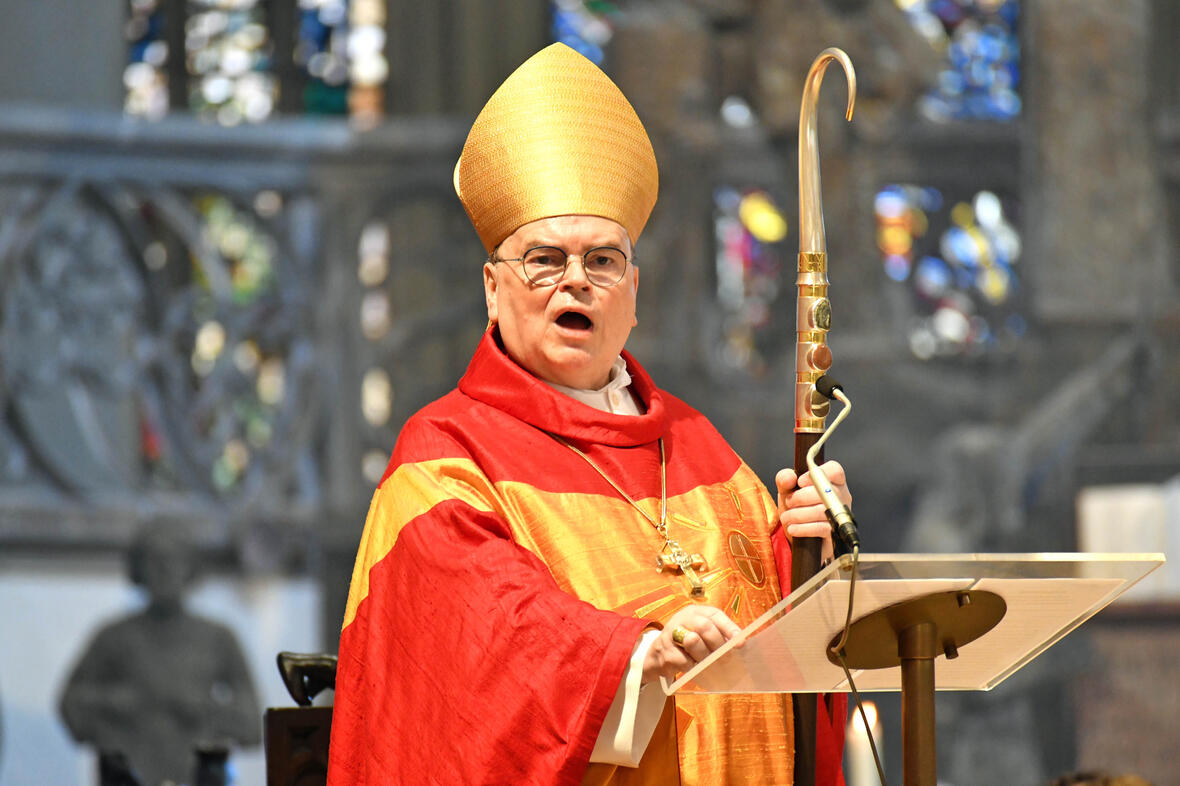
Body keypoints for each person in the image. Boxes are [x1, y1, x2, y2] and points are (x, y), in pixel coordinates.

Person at [327, 43, 851, 785]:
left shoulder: (701, 447)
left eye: (602, 261)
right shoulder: (444, 458)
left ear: (633, 294)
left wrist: (811, 550)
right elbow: (483, 641)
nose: (575, 281)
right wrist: (637, 654)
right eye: (544, 260)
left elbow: (789, 659)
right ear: (492, 288)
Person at [60, 522, 261, 786]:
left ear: (190, 567)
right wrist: (113, 704)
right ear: (139, 569)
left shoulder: (218, 639)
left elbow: (252, 725)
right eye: (154, 560)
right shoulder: (113, 638)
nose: (165, 569)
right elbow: (70, 705)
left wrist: (205, 709)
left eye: (174, 559)